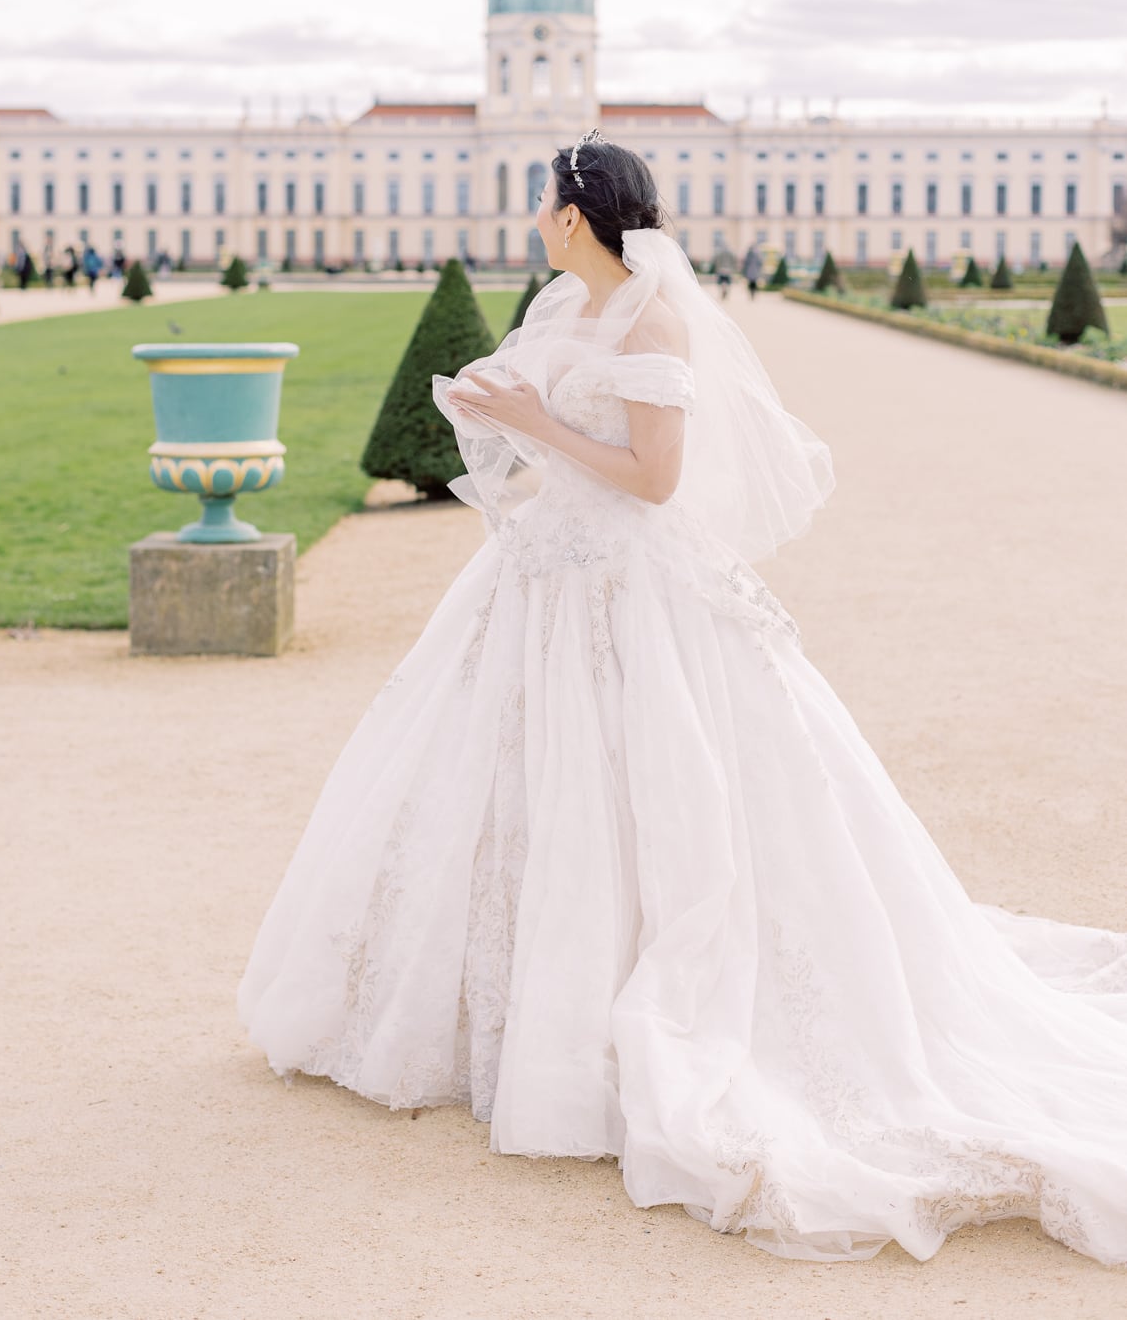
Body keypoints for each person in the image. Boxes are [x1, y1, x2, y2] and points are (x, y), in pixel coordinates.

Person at [238, 129, 1127, 1270]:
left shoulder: (654, 320)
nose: (534, 218)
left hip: (629, 584)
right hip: (544, 576)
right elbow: (545, 454)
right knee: (514, 783)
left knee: (655, 795)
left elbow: (654, 483)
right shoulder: (563, 313)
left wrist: (533, 423)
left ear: (572, 214)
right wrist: (493, 408)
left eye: (542, 201)